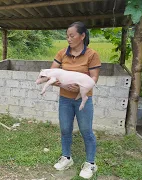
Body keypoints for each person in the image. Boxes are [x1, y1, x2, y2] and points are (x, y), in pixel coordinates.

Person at [50, 22, 101, 179]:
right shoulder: (62, 53)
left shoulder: (92, 55)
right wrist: (60, 82)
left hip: (83, 99)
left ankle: (90, 163)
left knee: (86, 131)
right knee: (65, 129)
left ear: (82, 36)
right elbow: (52, 73)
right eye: (67, 36)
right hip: (65, 99)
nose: (69, 39)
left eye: (72, 36)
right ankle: (66, 157)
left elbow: (94, 78)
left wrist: (80, 88)